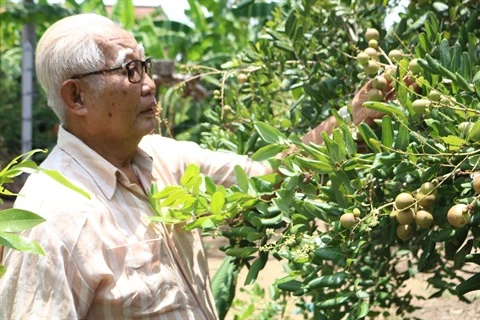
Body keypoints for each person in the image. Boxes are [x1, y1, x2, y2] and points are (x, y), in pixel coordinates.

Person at [0, 13, 383, 319]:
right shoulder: (53, 221)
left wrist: (350, 122)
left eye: (145, 66)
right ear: (77, 96)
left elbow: (269, 175)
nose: (149, 84)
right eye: (130, 70)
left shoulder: (163, 159)